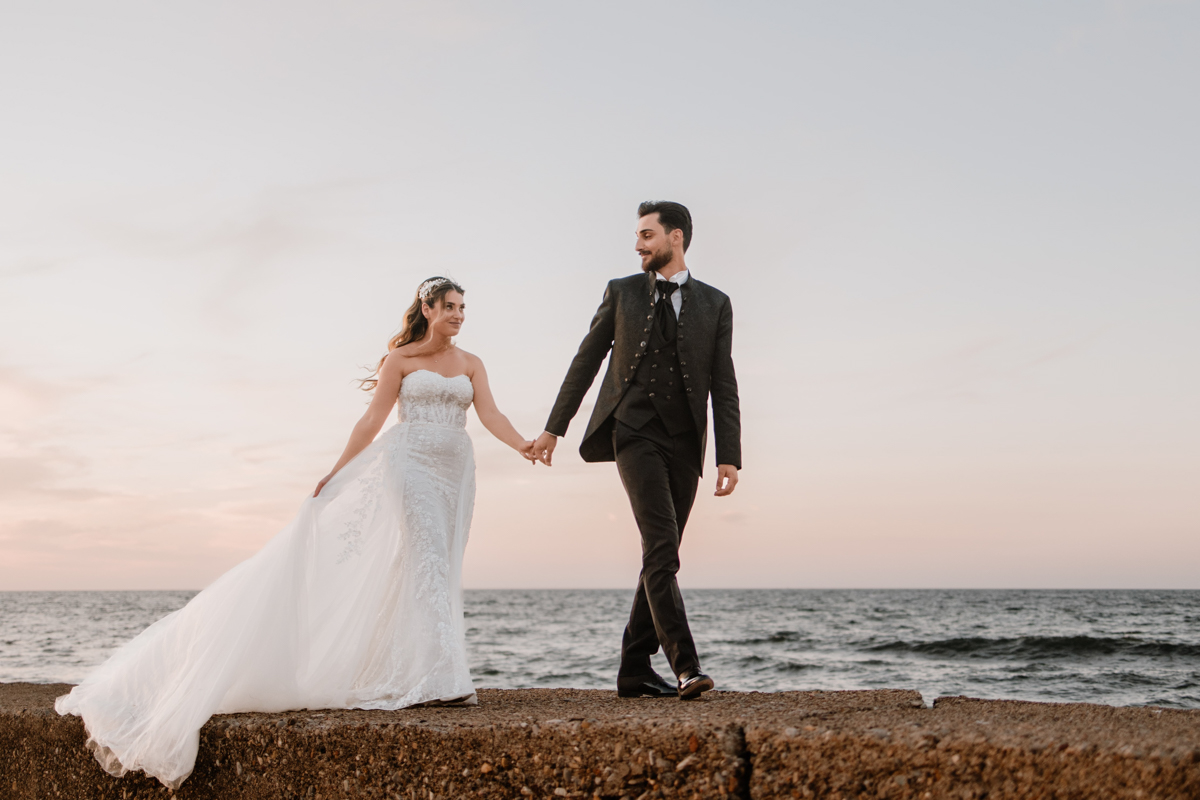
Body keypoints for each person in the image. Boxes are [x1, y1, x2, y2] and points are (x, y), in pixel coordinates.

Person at [56, 277, 534, 789]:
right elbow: (373, 419)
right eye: (451, 307)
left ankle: (420, 668)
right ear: (428, 308)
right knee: (427, 558)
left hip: (455, 469)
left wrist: (523, 444)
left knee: (443, 558)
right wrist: (335, 472)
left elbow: (490, 414)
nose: (459, 315)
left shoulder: (472, 364)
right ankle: (443, 678)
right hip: (411, 465)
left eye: (464, 307)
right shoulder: (401, 360)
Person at [530, 201, 742, 700]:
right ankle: (685, 667)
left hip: (686, 442)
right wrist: (553, 429)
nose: (638, 244)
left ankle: (632, 670)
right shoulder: (622, 292)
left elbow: (723, 383)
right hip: (633, 431)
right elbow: (586, 360)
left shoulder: (716, 303)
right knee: (662, 546)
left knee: (659, 554)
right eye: (637, 236)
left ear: (676, 238)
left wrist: (728, 454)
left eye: (647, 235)